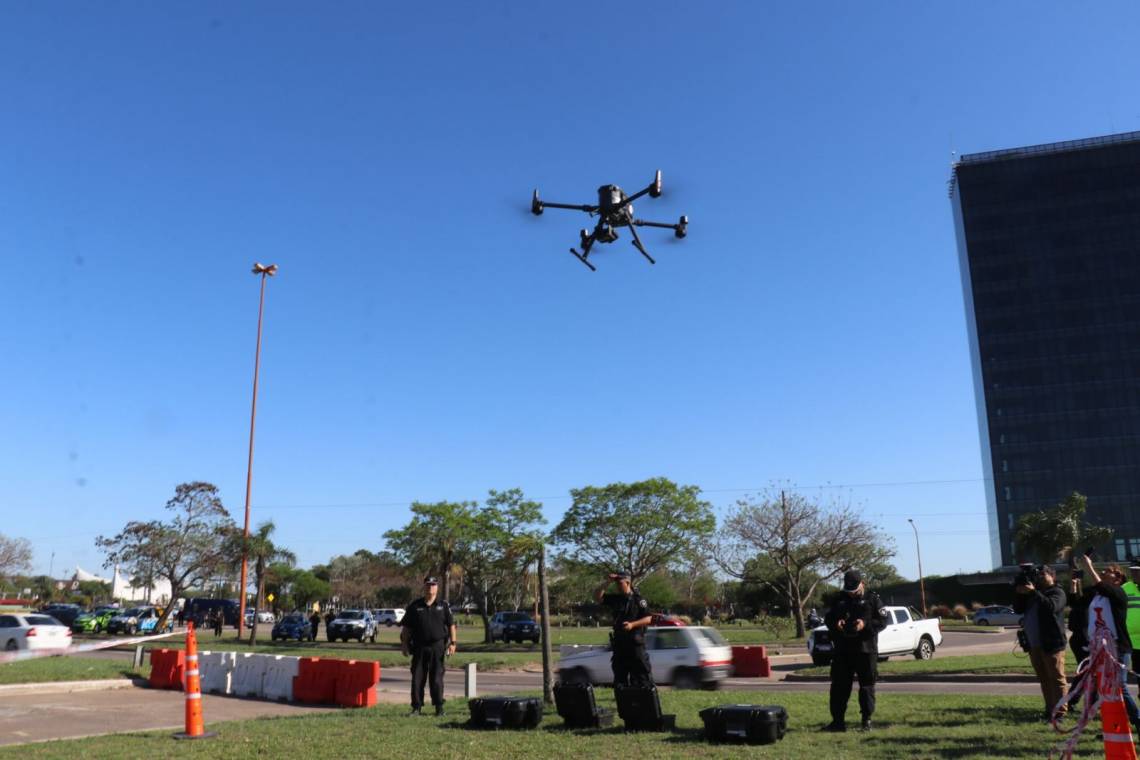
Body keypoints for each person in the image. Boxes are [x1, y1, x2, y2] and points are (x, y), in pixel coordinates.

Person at [1063, 556, 1140, 726]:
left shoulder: (1119, 594)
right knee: (1105, 688)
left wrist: (1090, 567)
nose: (1104, 572)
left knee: (1119, 686)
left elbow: (1101, 585)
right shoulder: (1097, 595)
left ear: (1119, 579)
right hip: (1100, 649)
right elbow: (1077, 604)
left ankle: (1137, 720)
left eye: (1110, 572)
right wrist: (1074, 586)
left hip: (1118, 648)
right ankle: (1113, 726)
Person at [821, 569, 887, 733]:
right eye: (848, 591)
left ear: (862, 584)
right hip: (843, 650)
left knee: (867, 686)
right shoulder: (839, 599)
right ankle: (837, 722)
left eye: (854, 591)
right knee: (839, 687)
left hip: (865, 650)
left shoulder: (873, 599)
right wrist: (836, 623)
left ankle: (866, 720)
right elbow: (828, 619)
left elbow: (883, 621)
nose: (851, 594)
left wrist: (864, 625)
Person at [1013, 564, 1068, 721]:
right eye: (1039, 575)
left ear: (1053, 576)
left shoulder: (1058, 592)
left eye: (1044, 574)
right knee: (1044, 678)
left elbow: (1051, 607)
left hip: (1052, 642)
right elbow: (1018, 609)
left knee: (1056, 678)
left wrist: (1033, 592)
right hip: (1034, 643)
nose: (1040, 577)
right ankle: (1049, 709)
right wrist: (1020, 593)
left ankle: (1060, 712)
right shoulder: (1034, 594)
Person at [400, 576, 456, 716]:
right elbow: (406, 628)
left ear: (437, 587)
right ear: (424, 587)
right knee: (417, 678)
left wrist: (453, 643)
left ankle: (439, 707)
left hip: (437, 647)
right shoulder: (415, 606)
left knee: (437, 679)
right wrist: (405, 644)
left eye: (433, 585)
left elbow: (451, 625)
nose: (430, 587)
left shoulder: (443, 606)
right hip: (419, 647)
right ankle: (416, 707)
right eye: (428, 585)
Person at [593, 571, 654, 688]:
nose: (617, 586)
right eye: (616, 584)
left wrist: (632, 625)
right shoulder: (616, 599)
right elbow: (597, 597)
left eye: (620, 583)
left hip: (635, 644)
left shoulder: (638, 600)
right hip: (620, 643)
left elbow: (648, 618)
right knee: (620, 677)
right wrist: (607, 582)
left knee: (641, 678)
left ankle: (643, 702)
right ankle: (623, 702)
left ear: (628, 583)